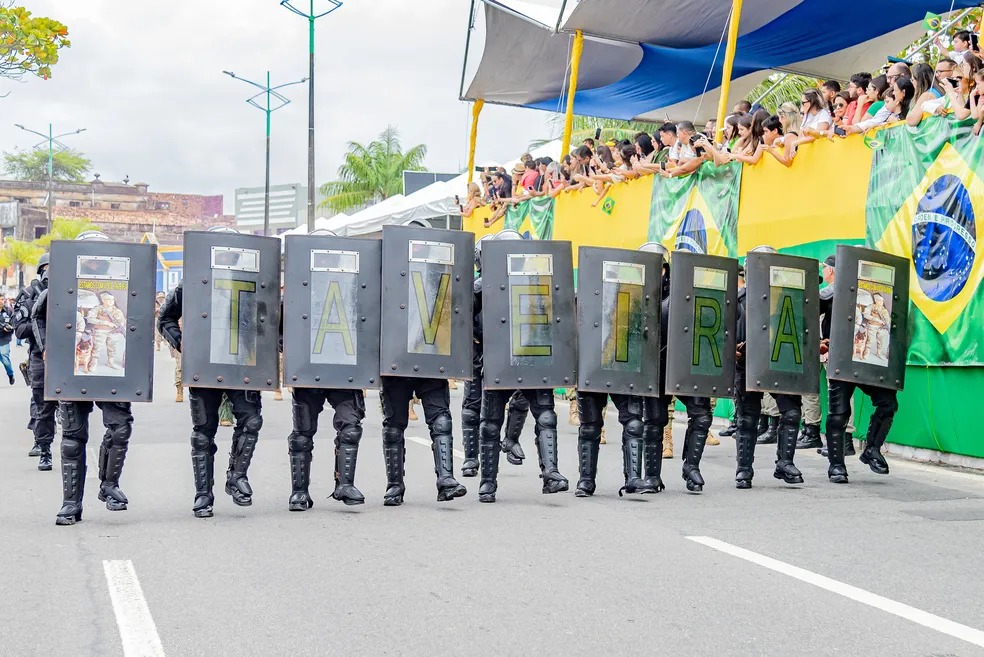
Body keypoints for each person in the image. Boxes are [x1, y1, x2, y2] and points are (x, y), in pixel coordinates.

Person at [157, 226, 265, 518]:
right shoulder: (190, 283)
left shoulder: (254, 278)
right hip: (204, 366)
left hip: (242, 363)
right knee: (203, 433)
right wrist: (181, 343)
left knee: (251, 421)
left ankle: (237, 477)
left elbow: (268, 318)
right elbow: (165, 317)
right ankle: (203, 494)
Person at [32, 230, 136, 525]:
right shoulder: (64, 280)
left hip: (110, 363)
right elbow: (38, 316)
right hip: (73, 363)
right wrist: (47, 349)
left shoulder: (122, 281)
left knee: (120, 428)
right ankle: (70, 503)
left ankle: (109, 484)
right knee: (72, 438)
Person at [477, 231, 569, 503]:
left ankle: (551, 473)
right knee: (491, 425)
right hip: (498, 360)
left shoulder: (539, 281)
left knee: (546, 416)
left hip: (534, 356)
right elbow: (463, 320)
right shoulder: (482, 286)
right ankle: (488, 483)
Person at [822, 254, 899, 484]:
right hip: (841, 360)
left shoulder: (880, 293)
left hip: (870, 358)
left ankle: (872, 449)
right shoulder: (835, 290)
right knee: (839, 413)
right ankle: (837, 465)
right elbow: (809, 310)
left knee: (888, 403)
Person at [733, 246, 804, 489]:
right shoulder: (739, 300)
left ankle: (785, 463)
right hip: (747, 366)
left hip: (781, 365)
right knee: (747, 419)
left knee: (792, 413)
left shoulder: (790, 299)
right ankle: (744, 470)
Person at [460, 236, 530, 478]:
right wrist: (475, 339)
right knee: (472, 404)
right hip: (480, 353)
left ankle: (510, 439)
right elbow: (462, 316)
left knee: (523, 395)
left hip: (513, 353)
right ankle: (471, 458)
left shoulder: (524, 283)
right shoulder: (479, 285)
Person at [13, 252, 55, 471]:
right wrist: (42, 325)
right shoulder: (28, 295)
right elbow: (19, 330)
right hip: (40, 354)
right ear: (41, 270)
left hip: (71, 356)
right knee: (43, 405)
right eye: (47, 267)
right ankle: (44, 448)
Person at [0, 294, 15, 385]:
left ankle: (10, 374)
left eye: (2, 299)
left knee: (5, 358)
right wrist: (2, 327)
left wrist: (10, 327)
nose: (2, 301)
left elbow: (13, 321)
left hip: (4, 338)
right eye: (0, 299)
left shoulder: (9, 310)